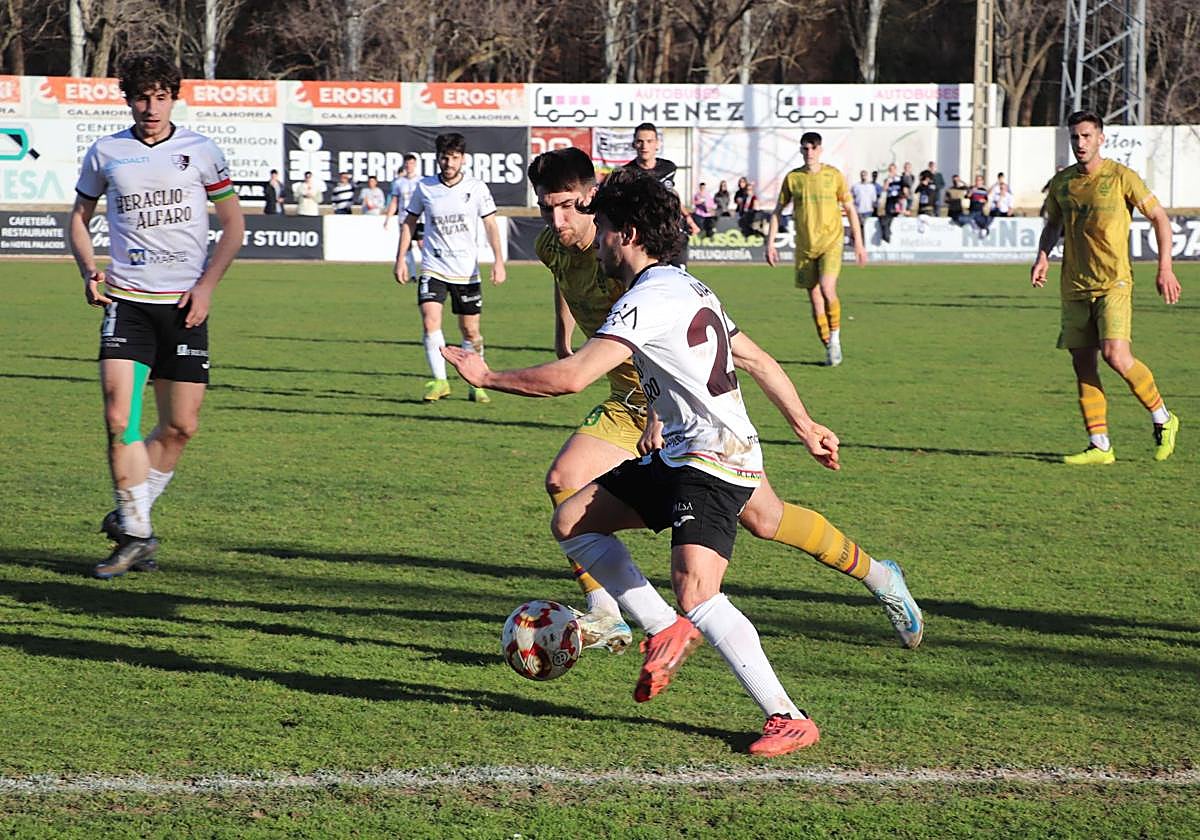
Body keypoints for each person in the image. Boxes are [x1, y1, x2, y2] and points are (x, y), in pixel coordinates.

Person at [446, 167, 921, 757]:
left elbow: (570, 379)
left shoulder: (648, 298)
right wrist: (803, 427)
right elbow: (755, 360)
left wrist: (487, 374)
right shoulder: (685, 287)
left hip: (716, 455)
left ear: (630, 233)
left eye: (607, 226)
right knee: (572, 520)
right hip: (682, 447)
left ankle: (787, 716)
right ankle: (663, 626)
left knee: (698, 589)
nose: (600, 236)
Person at [529, 147, 922, 658]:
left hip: (675, 404)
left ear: (591, 197)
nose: (557, 219)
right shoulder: (550, 245)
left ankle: (879, 575)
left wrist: (661, 416)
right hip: (627, 396)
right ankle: (608, 612)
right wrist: (564, 338)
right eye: (545, 208)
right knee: (564, 482)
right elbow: (565, 284)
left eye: (568, 206)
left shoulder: (624, 258)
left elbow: (680, 340)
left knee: (765, 519)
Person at [67, 52, 244, 579]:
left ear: (174, 97)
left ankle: (130, 510)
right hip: (128, 304)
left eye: (161, 96)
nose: (151, 107)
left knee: (181, 427)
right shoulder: (106, 153)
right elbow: (78, 218)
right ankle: (137, 531)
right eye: (142, 97)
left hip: (185, 307)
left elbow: (233, 225)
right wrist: (88, 268)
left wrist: (208, 287)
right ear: (127, 98)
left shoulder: (201, 152)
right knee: (119, 420)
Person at [1031, 110, 1182, 464]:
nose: (1080, 143)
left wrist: (1165, 268)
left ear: (1101, 138)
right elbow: (1053, 224)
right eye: (1075, 137)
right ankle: (1100, 445)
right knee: (1083, 363)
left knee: (1115, 354)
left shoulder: (1121, 177)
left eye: (1086, 136)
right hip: (1074, 285)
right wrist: (1042, 256)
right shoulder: (1063, 182)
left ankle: (1164, 418)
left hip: (1114, 281)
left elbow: (1159, 217)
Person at [394, 132, 506, 403]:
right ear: (438, 158)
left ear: (463, 159)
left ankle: (476, 382)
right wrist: (400, 258)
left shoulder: (476, 188)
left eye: (454, 157)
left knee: (470, 331)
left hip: (466, 271)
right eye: (445, 157)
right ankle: (440, 381)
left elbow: (491, 224)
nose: (449, 162)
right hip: (433, 266)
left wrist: (499, 261)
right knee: (430, 320)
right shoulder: (425, 187)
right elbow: (409, 222)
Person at [766, 133, 867, 367]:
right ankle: (828, 344)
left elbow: (850, 209)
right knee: (814, 298)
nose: (809, 152)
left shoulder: (834, 175)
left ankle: (836, 338)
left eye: (813, 148)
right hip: (805, 246)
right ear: (801, 151)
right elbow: (777, 211)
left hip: (832, 242)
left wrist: (859, 242)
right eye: (805, 148)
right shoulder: (793, 179)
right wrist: (770, 243)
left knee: (827, 288)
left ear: (820, 149)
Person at [622, 122, 700, 262]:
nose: (644, 146)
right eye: (640, 141)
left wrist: (688, 218)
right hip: (644, 238)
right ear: (634, 144)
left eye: (649, 141)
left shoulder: (668, 168)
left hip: (669, 232)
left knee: (679, 275)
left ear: (657, 144)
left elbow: (672, 194)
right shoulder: (627, 173)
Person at [385, 153, 425, 280]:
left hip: (420, 219)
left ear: (415, 165)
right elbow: (394, 201)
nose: (409, 166)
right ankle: (412, 274)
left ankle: (427, 272)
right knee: (406, 247)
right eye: (407, 163)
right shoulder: (399, 183)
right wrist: (388, 218)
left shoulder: (421, 181)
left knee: (422, 244)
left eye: (411, 163)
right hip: (403, 219)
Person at [879, 174, 908, 243]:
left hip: (900, 216)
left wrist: (901, 211)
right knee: (885, 219)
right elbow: (884, 189)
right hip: (890, 206)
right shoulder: (888, 180)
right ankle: (887, 235)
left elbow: (905, 211)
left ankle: (887, 235)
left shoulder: (903, 200)